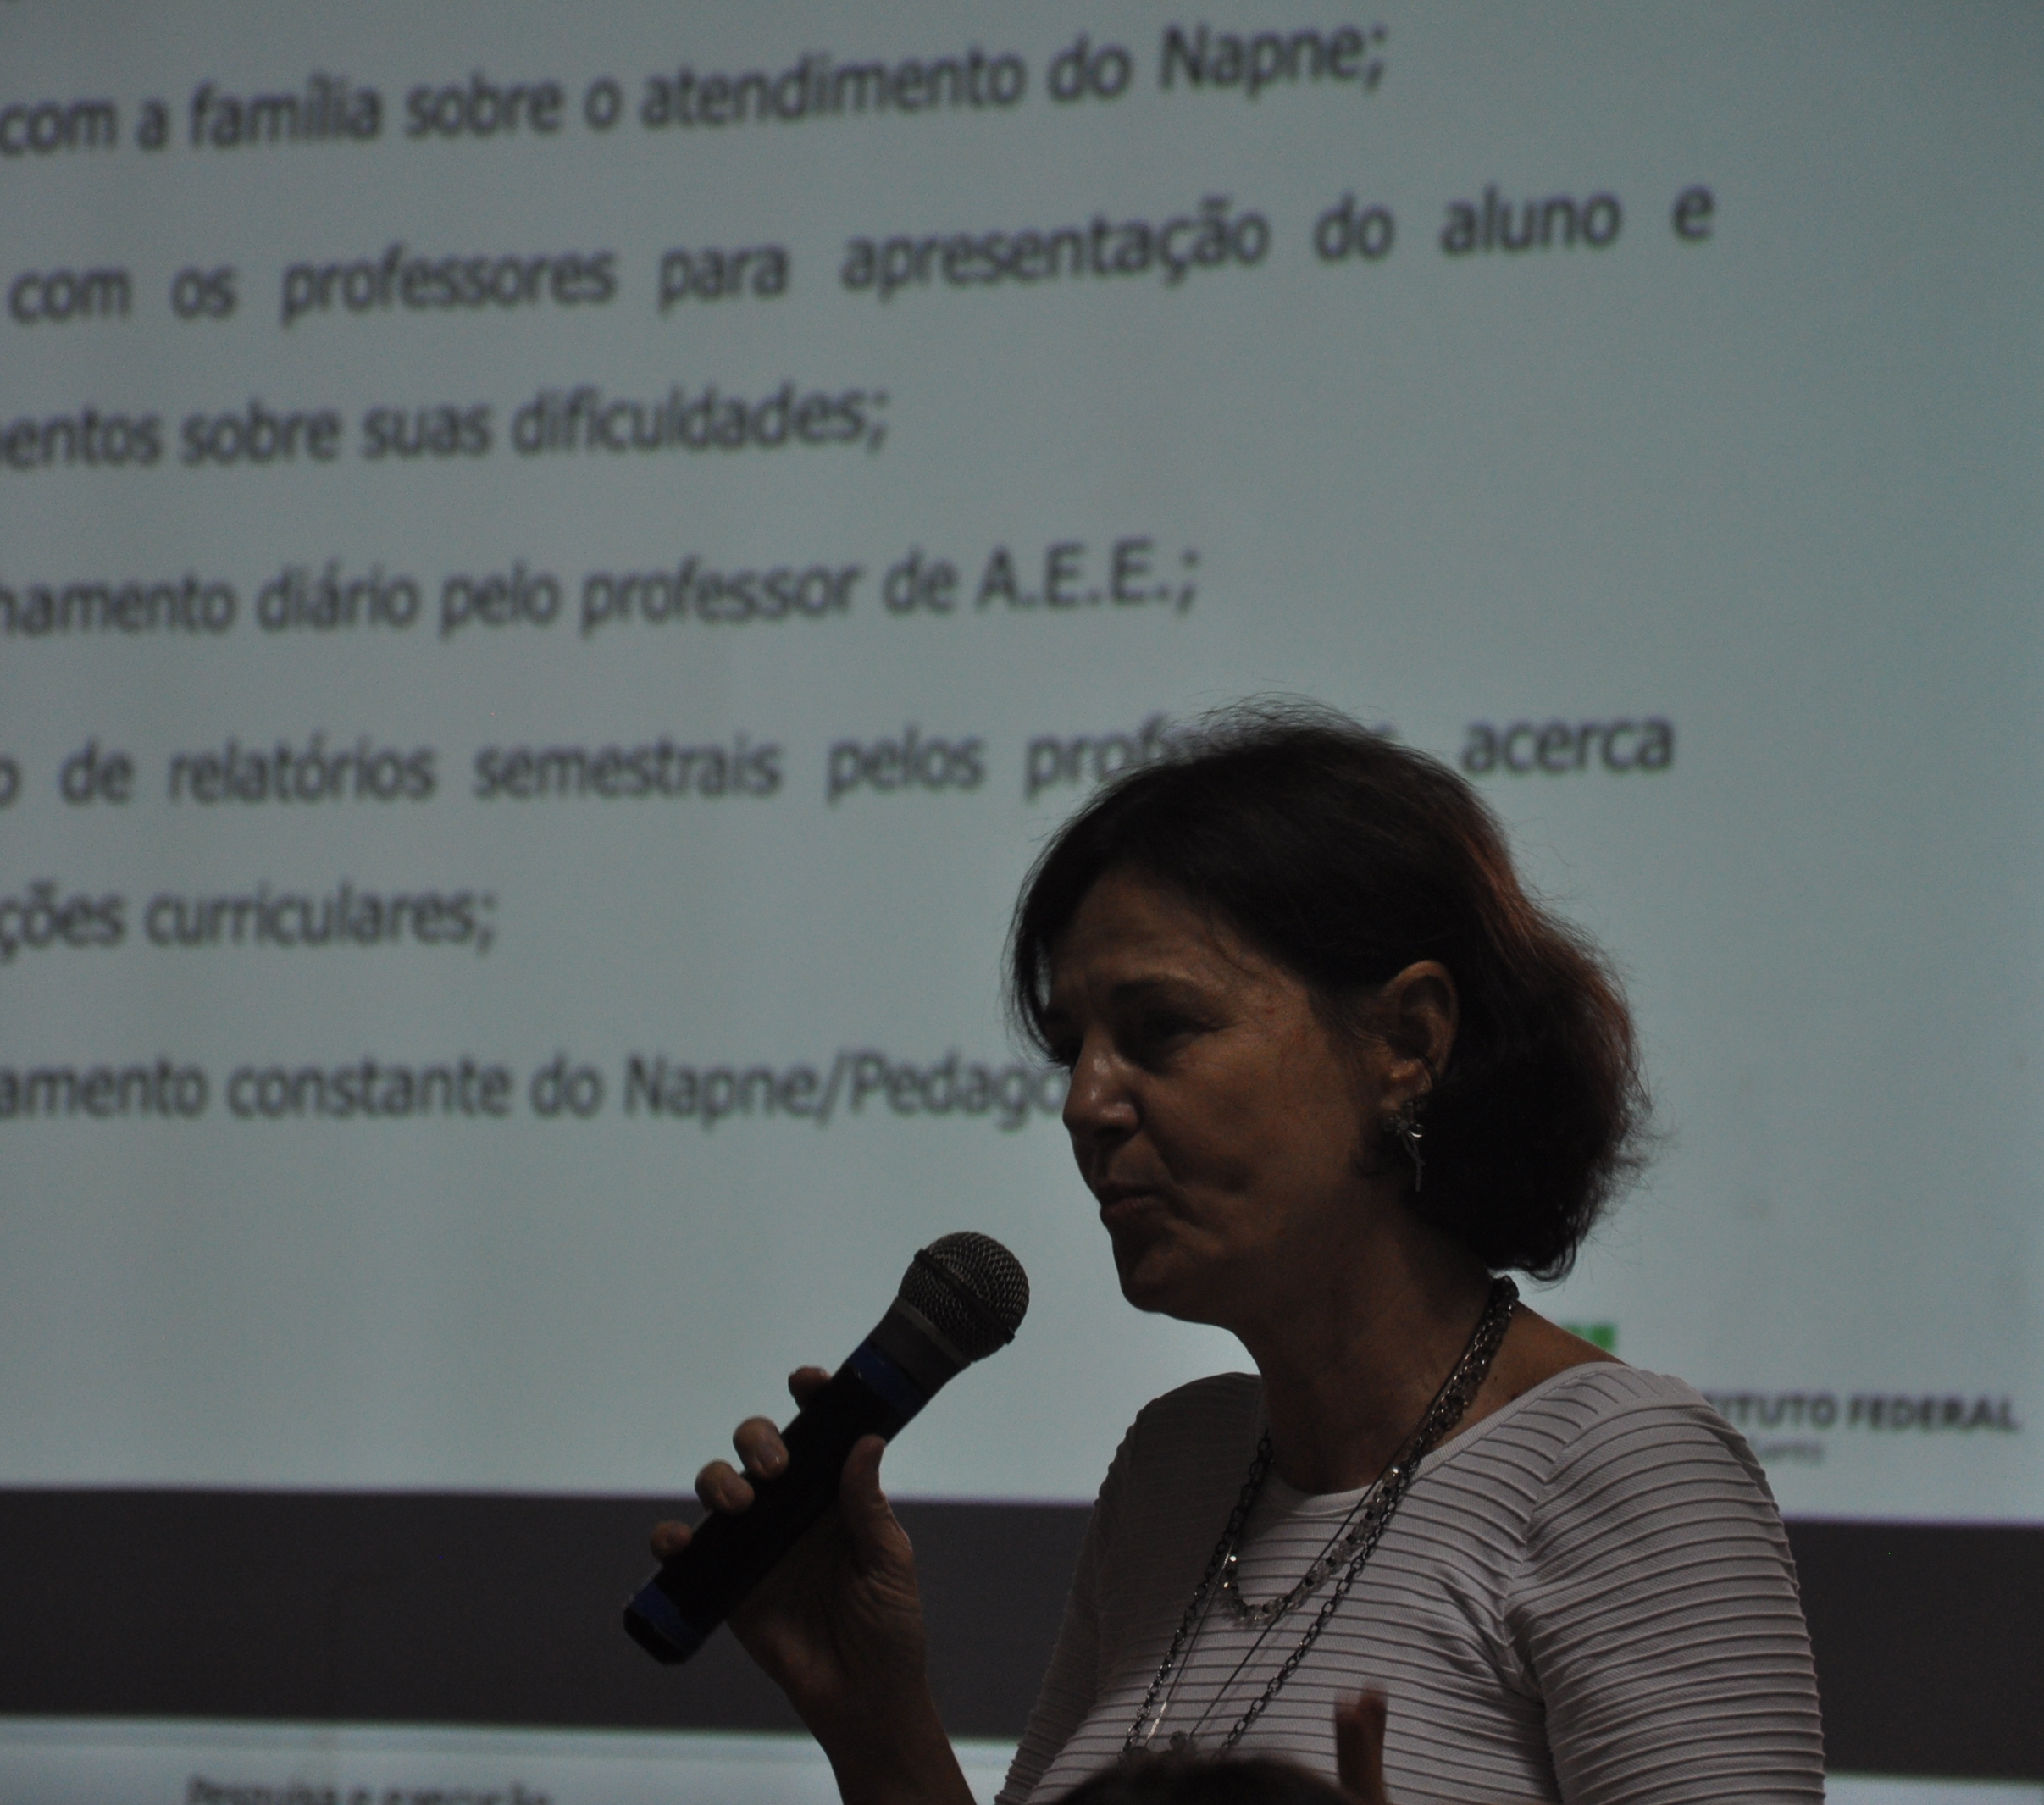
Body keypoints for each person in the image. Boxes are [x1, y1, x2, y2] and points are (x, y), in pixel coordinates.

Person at [651, 705, 1824, 1803]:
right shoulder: (1180, 1466)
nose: (1085, 1104)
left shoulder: (1624, 1474)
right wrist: (874, 1716)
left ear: (1408, 1043)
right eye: (1070, 1049)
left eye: (1160, 1030)